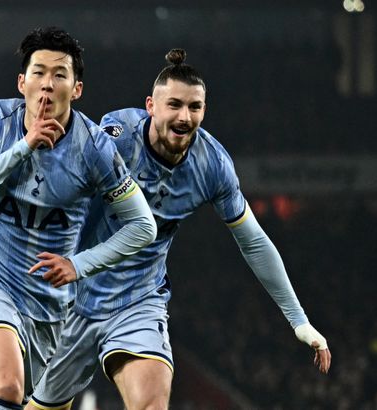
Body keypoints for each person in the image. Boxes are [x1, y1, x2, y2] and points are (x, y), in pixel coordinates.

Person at [27, 49, 331, 410]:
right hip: (70, 297)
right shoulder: (118, 138)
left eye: (194, 107)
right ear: (151, 106)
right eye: (174, 105)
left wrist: (299, 320)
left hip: (138, 302)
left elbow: (253, 242)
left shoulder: (212, 165)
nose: (185, 117)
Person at [0, 27, 157, 410]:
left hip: (51, 312)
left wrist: (80, 264)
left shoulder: (94, 147)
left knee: (0, 395)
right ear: (22, 83)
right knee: (6, 385)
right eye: (38, 72)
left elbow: (143, 226)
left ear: (76, 89)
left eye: (60, 74)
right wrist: (23, 148)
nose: (47, 84)